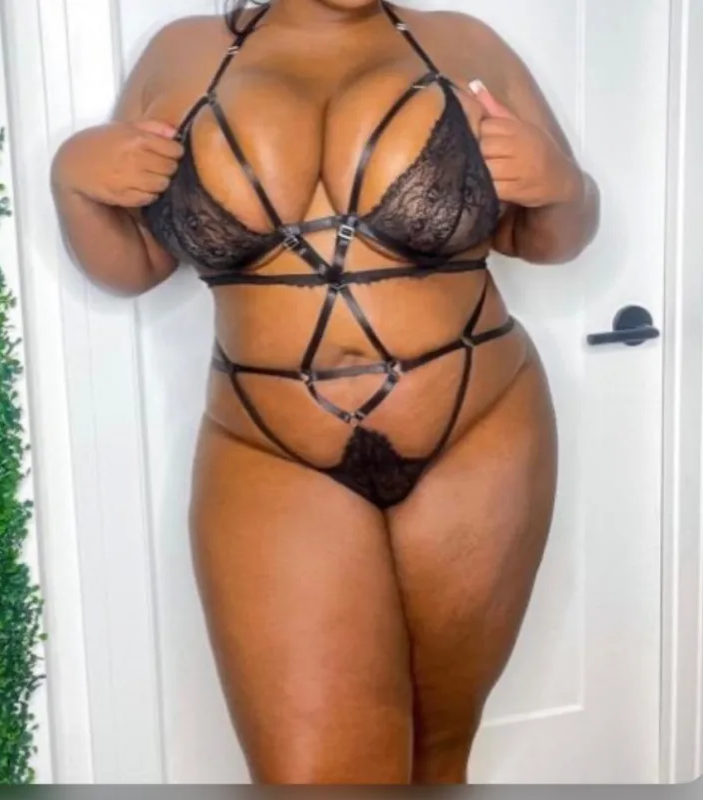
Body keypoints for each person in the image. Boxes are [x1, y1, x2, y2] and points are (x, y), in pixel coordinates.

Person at [50, 0, 599, 785]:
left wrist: (564, 188)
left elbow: (545, 237)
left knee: (439, 754)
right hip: (269, 451)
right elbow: (134, 268)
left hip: (479, 435)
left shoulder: (464, 42)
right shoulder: (180, 57)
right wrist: (73, 181)